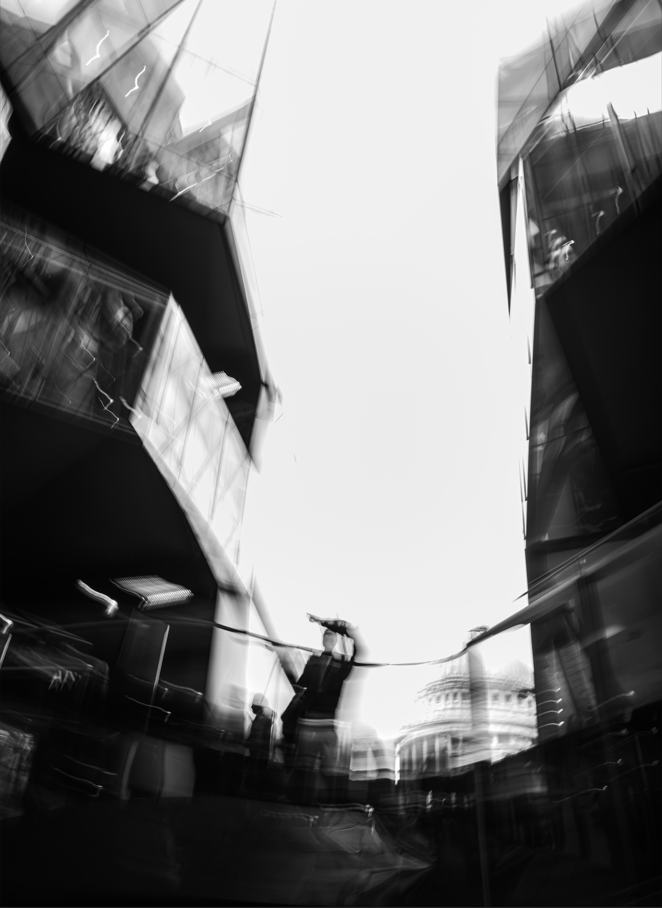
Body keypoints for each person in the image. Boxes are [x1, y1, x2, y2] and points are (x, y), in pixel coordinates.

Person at [285, 615, 363, 805]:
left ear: (336, 639)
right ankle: (298, 801)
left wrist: (327, 623)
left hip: (327, 721)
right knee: (304, 765)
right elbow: (301, 685)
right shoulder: (313, 660)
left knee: (329, 768)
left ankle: (331, 802)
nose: (328, 637)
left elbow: (358, 650)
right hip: (310, 720)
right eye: (326, 635)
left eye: (331, 635)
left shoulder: (343, 663)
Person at [244, 693, 275, 799]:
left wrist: (246, 743)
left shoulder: (263, 720)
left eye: (253, 704)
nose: (251, 706)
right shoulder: (260, 719)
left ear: (259, 706)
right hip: (258, 756)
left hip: (259, 757)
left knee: (253, 784)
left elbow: (259, 741)